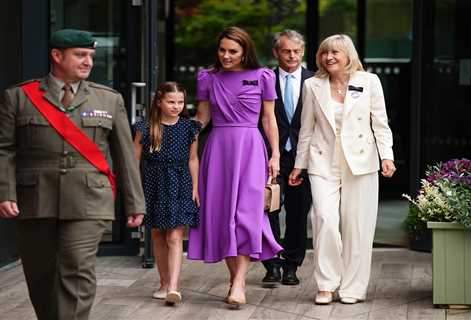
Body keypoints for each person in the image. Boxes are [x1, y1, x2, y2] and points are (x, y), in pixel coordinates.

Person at [0, 29, 145, 320]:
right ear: (57, 55)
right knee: (41, 273)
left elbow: (125, 156)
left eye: (91, 56)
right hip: (35, 197)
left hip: (89, 198)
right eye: (80, 55)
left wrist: (135, 203)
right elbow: (4, 149)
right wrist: (5, 192)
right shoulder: (18, 97)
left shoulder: (109, 99)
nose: (88, 62)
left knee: (77, 268)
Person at [289, 34, 396, 305]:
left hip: (360, 161)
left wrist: (387, 156)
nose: (329, 57)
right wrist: (299, 165)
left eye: (335, 52)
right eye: (325, 53)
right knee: (324, 219)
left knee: (357, 227)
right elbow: (307, 129)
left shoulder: (369, 82)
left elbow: (380, 123)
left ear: (349, 55)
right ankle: (326, 284)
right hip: (323, 160)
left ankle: (352, 288)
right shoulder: (312, 85)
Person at [187, 26, 283, 307]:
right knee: (223, 216)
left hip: (251, 149)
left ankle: (239, 281)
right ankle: (235, 280)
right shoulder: (208, 77)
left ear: (245, 51)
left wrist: (275, 154)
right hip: (218, 150)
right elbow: (202, 117)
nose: (226, 56)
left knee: (246, 216)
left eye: (233, 51)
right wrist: (178, 134)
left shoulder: (263, 76)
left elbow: (269, 119)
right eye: (222, 50)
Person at [133, 82, 201, 305]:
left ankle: (174, 286)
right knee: (157, 234)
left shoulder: (189, 127)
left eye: (180, 102)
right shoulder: (145, 127)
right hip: (152, 183)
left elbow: (193, 159)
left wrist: (196, 187)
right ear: (159, 102)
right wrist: (133, 191)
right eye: (171, 102)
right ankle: (163, 283)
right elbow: (134, 161)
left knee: (174, 235)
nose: (176, 106)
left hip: (180, 183)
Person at [261, 30, 314, 286]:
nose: (291, 55)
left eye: (296, 51)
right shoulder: (265, 78)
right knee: (267, 209)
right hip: (271, 155)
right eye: (286, 51)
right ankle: (271, 263)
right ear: (276, 53)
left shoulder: (315, 80)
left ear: (302, 51)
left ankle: (292, 265)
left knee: (298, 213)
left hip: (304, 157)